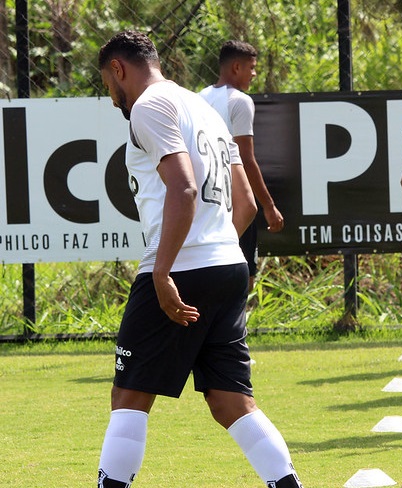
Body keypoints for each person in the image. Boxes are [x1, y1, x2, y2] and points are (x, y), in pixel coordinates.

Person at [96, 31, 303, 487]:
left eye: (109, 86)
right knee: (231, 401)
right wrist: (217, 252)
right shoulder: (206, 108)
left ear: (118, 69)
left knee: (128, 396)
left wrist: (165, 270)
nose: (113, 98)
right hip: (228, 264)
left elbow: (184, 187)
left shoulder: (150, 105)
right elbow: (244, 201)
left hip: (181, 266)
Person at [200, 40, 285, 293]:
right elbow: (246, 160)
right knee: (242, 282)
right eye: (251, 67)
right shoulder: (240, 101)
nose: (255, 73)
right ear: (236, 67)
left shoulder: (199, 97)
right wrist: (268, 206)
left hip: (206, 203)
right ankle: (231, 331)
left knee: (209, 272)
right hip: (234, 201)